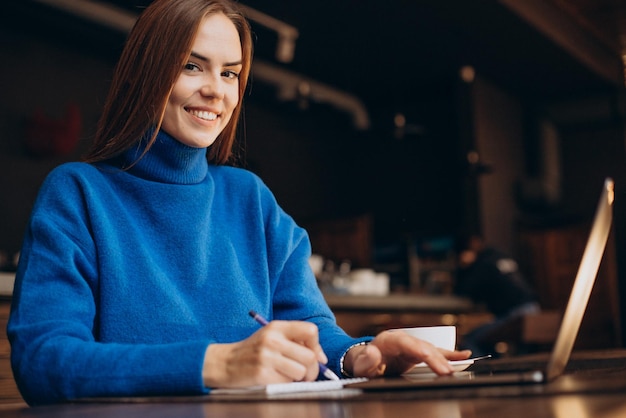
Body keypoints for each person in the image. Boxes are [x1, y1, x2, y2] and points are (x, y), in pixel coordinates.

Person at [7, 0, 470, 405]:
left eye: (229, 72)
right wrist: (218, 364)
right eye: (192, 66)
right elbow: (43, 360)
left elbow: (307, 324)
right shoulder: (78, 193)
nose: (216, 90)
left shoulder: (250, 197)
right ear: (146, 73)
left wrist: (358, 355)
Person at [454, 236, 540, 356]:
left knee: (470, 340)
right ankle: (497, 366)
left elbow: (462, 291)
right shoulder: (500, 256)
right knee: (488, 340)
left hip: (515, 314)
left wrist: (463, 268)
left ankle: (487, 371)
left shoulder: (482, 264)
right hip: (534, 309)